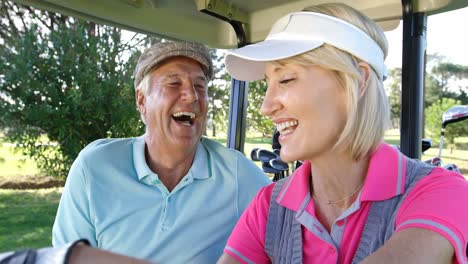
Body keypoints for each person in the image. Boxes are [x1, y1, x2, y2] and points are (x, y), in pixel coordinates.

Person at [217, 3, 468, 263]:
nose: (266, 107)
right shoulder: (268, 206)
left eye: (286, 79)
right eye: (266, 84)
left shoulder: (439, 191)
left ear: (358, 81)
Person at [51, 41, 271, 263]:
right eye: (174, 83)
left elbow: (290, 227)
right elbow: (67, 258)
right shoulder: (94, 167)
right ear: (142, 100)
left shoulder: (235, 173)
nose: (192, 96)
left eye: (200, 86)